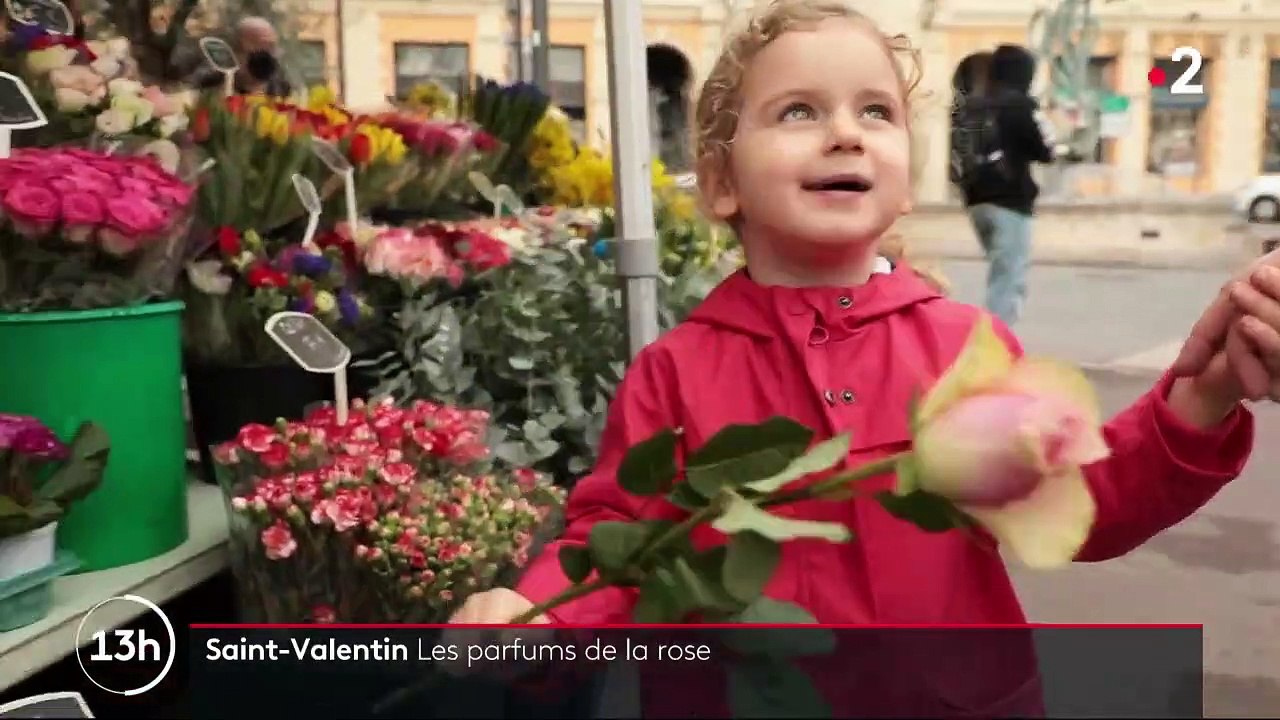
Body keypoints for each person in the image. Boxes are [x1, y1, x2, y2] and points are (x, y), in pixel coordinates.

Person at [449, 0, 1278, 712]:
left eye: (876, 112)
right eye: (799, 112)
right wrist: (538, 614)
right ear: (721, 182)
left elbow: (1077, 505)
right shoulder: (675, 370)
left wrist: (1200, 399)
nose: (845, 132)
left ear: (905, 179)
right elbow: (621, 542)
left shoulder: (965, 348)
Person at [952, 44, 1056, 326]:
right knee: (1008, 280)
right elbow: (1042, 152)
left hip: (976, 203)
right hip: (1009, 201)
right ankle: (997, 346)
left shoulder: (972, 107)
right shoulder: (1019, 106)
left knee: (1000, 273)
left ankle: (994, 341)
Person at [192, 16, 292, 97]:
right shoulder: (209, 85)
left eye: (271, 47)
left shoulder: (282, 89)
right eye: (258, 48)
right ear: (235, 52)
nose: (268, 56)